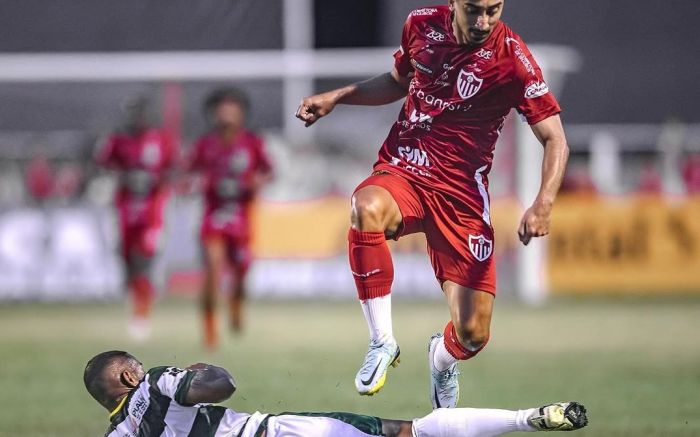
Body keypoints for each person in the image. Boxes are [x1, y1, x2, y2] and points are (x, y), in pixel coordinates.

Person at [295, 0, 569, 408]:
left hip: (461, 197)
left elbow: (555, 139)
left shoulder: (513, 58)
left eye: (493, 10)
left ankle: (441, 359)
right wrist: (338, 96)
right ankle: (382, 342)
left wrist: (543, 202)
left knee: (474, 333)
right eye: (474, 9)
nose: (483, 21)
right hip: (405, 168)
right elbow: (397, 81)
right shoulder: (421, 24)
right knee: (365, 206)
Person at [84, 350, 588, 437]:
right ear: (126, 378)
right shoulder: (153, 381)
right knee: (409, 431)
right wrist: (201, 369)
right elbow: (222, 384)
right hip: (279, 433)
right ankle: (528, 418)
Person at [187, 87, 273, 347]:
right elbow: (188, 172)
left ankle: (236, 305)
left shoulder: (252, 143)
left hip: (241, 219)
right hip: (213, 216)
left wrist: (255, 183)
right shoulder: (205, 144)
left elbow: (268, 171)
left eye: (231, 107)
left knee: (240, 274)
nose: (226, 113)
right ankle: (209, 329)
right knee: (212, 269)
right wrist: (197, 183)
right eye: (221, 108)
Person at [97, 97, 178, 340]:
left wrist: (159, 182)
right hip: (124, 208)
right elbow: (103, 164)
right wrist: (123, 177)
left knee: (145, 258)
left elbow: (174, 167)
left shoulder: (161, 140)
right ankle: (135, 299)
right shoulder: (117, 140)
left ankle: (142, 314)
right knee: (127, 260)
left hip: (153, 209)